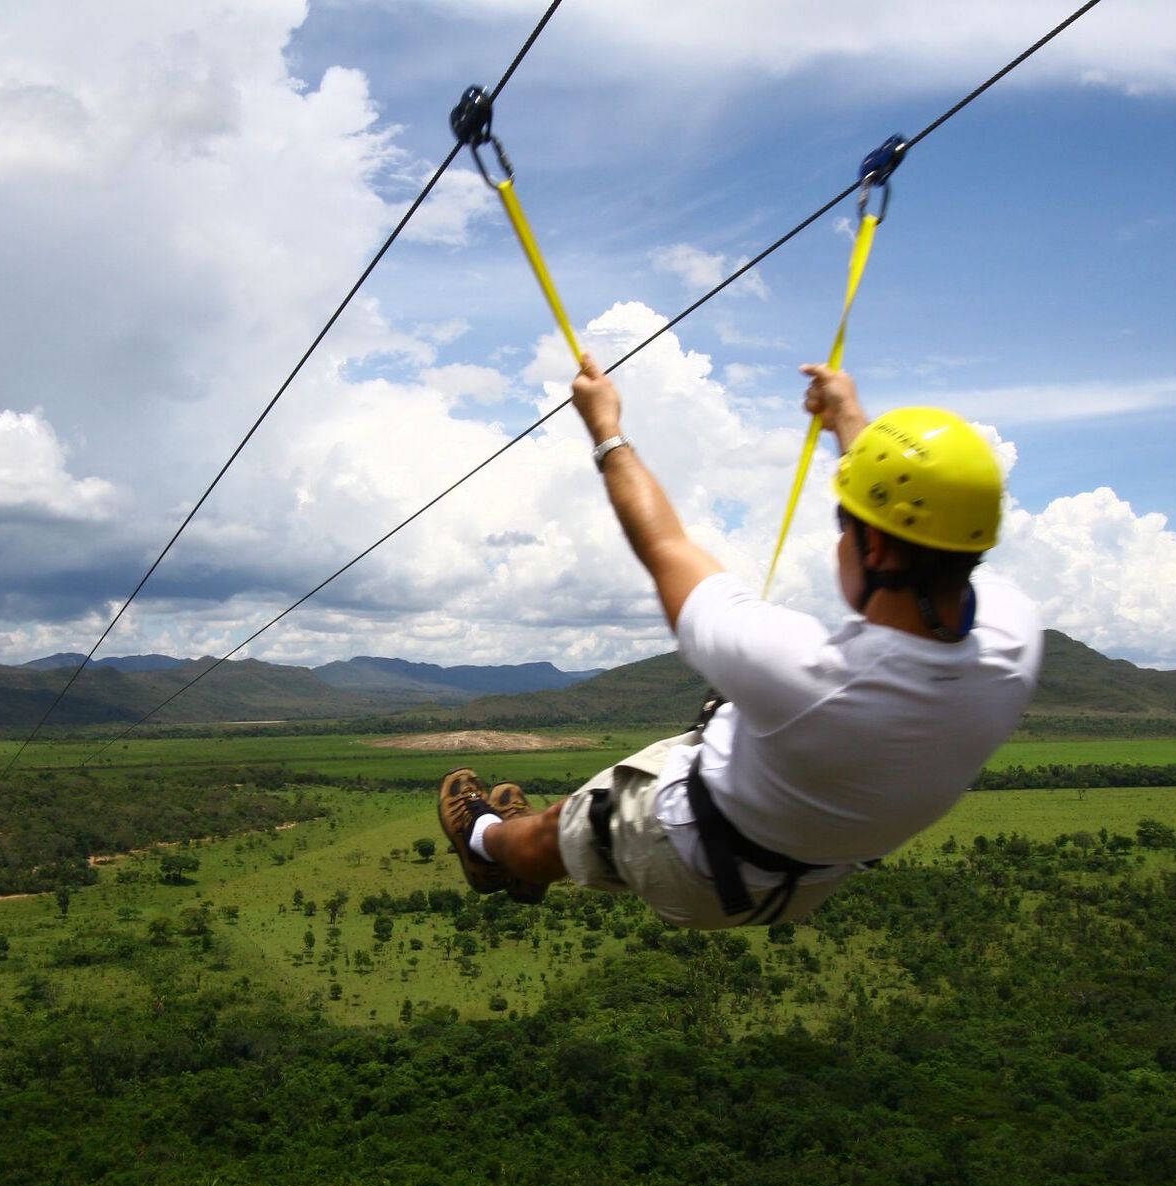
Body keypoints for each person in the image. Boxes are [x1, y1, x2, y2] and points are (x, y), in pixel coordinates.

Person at [437, 356, 1043, 928]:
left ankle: (487, 847)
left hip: (693, 857)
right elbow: (933, 526)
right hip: (805, 868)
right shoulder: (1013, 637)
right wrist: (849, 421)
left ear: (875, 548)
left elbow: (665, 546)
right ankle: (519, 852)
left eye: (843, 523)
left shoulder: (805, 674)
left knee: (560, 830)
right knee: (634, 775)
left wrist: (606, 428)